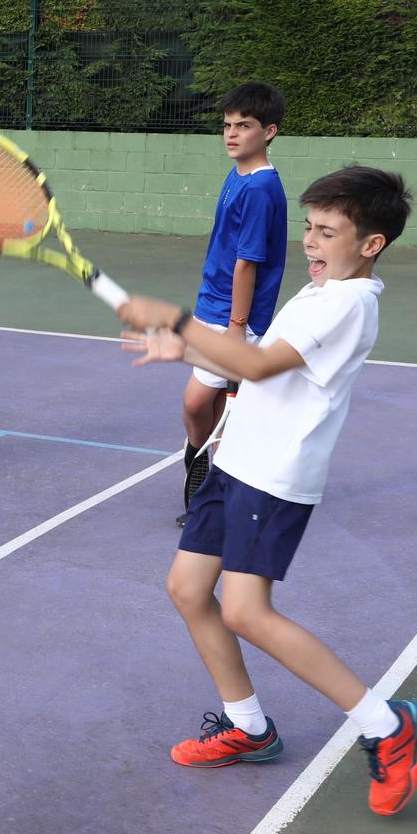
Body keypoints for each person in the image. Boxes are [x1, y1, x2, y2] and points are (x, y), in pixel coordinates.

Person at [115, 165, 417, 817]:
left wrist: (174, 317)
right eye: (309, 228)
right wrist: (185, 350)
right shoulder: (320, 292)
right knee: (187, 588)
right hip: (238, 461)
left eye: (328, 232)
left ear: (370, 243)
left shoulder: (348, 303)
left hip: (275, 477)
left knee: (246, 611)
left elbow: (257, 362)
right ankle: (249, 726)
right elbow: (260, 368)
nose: (311, 243)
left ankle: (385, 725)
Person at [178, 82, 290, 527]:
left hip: (235, 318)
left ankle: (208, 487)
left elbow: (248, 264)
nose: (232, 133)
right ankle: (208, 485)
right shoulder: (237, 174)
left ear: (269, 132)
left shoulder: (261, 188)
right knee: (213, 410)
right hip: (213, 308)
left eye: (244, 126)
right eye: (227, 125)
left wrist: (237, 326)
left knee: (196, 403)